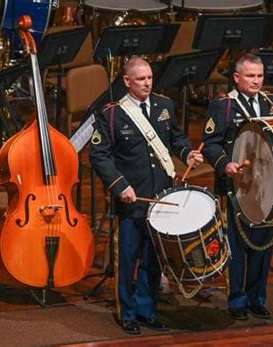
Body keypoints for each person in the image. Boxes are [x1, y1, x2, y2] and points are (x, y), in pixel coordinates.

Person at [90, 57, 203, 335]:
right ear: (127, 81)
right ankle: (127, 313)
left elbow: (176, 137)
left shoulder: (164, 106)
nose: (147, 83)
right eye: (141, 79)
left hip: (161, 196)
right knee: (128, 260)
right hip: (132, 199)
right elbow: (99, 155)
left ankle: (147, 310)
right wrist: (120, 186)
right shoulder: (112, 114)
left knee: (154, 260)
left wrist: (187, 152)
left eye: (150, 78)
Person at [202, 53, 273, 321]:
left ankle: (257, 297)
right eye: (250, 76)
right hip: (235, 185)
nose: (256, 81)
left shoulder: (271, 103)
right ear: (237, 78)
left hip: (267, 185)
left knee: (263, 243)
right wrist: (225, 164)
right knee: (236, 247)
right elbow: (211, 143)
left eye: (260, 76)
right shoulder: (223, 106)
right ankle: (236, 299)